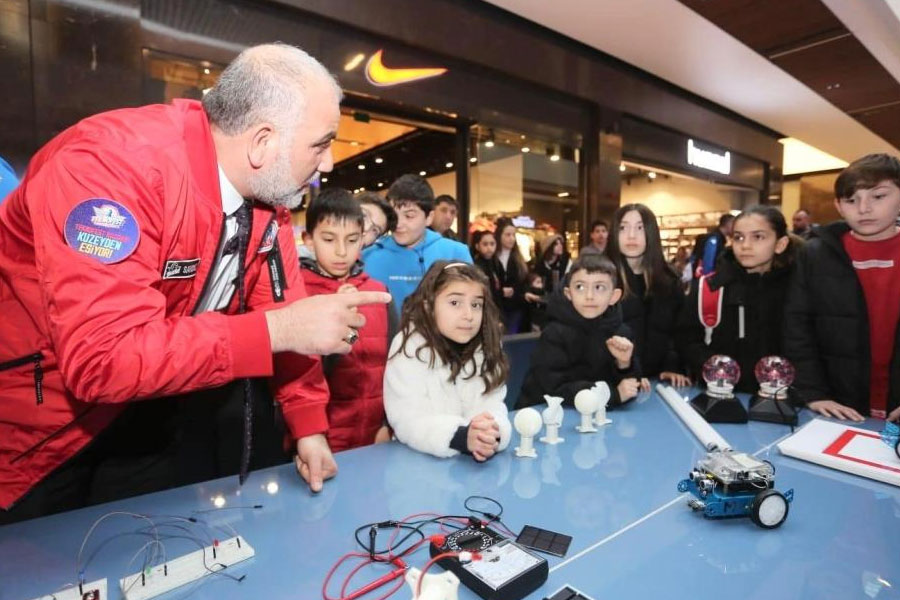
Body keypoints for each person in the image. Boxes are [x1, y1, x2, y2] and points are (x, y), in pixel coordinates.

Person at [0, 43, 391, 521]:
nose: (328, 162)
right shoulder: (111, 167)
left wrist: (307, 423)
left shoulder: (267, 204)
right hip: (38, 434)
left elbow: (286, 312)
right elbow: (102, 360)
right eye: (321, 143)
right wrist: (275, 332)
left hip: (155, 414)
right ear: (262, 142)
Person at [785, 154, 900, 422]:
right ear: (838, 205)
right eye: (851, 200)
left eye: (878, 196)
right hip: (837, 405)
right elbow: (798, 328)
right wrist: (813, 393)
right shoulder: (815, 254)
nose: (864, 208)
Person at [383, 261, 511, 460]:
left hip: (470, 467)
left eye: (476, 305)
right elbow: (407, 419)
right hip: (416, 467)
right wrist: (460, 436)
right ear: (428, 306)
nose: (468, 315)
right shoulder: (409, 348)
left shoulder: (486, 347)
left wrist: (491, 433)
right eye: (455, 303)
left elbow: (493, 404)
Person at [299, 189, 391, 452]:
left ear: (362, 240)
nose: (341, 252)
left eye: (351, 240)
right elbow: (298, 377)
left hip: (376, 435)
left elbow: (395, 365)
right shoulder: (298, 295)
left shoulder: (379, 293)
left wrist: (388, 422)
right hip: (321, 438)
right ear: (309, 239)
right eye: (329, 239)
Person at [677, 206, 797, 393]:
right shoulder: (710, 287)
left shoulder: (796, 290)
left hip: (781, 401)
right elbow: (686, 339)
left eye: (758, 237)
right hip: (717, 397)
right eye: (739, 237)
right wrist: (712, 367)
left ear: (780, 244)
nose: (745, 245)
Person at [516, 254, 640, 409]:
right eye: (580, 287)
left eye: (599, 287)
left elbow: (631, 387)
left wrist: (624, 364)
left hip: (599, 418)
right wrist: (612, 394)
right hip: (544, 417)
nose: (589, 296)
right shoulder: (554, 333)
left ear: (614, 296)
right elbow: (554, 387)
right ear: (569, 294)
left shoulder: (621, 333)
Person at [363, 174, 471, 319]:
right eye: (394, 216)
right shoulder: (367, 256)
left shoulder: (456, 254)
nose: (398, 224)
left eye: (409, 216)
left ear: (429, 218)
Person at [608, 204, 690, 389]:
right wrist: (627, 374)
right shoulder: (600, 278)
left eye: (640, 228)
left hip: (659, 383)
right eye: (623, 227)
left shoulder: (670, 280)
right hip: (614, 384)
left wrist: (673, 366)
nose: (631, 235)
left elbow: (679, 332)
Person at [494, 217, 529, 334]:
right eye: (507, 235)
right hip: (497, 306)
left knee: (510, 336)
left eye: (513, 235)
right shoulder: (492, 258)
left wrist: (515, 292)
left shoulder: (518, 259)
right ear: (499, 236)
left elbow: (523, 282)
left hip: (515, 307)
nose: (511, 239)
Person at [470, 230, 503, 310]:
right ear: (477, 246)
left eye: (492, 244)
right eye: (485, 244)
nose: (489, 248)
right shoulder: (476, 265)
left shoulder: (496, 263)